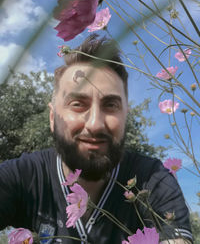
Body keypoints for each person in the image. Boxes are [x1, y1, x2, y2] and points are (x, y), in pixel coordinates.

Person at [0, 35, 193, 244]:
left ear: (125, 116)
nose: (95, 124)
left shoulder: (153, 178)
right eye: (77, 104)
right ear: (52, 117)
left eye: (110, 105)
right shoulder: (22, 175)